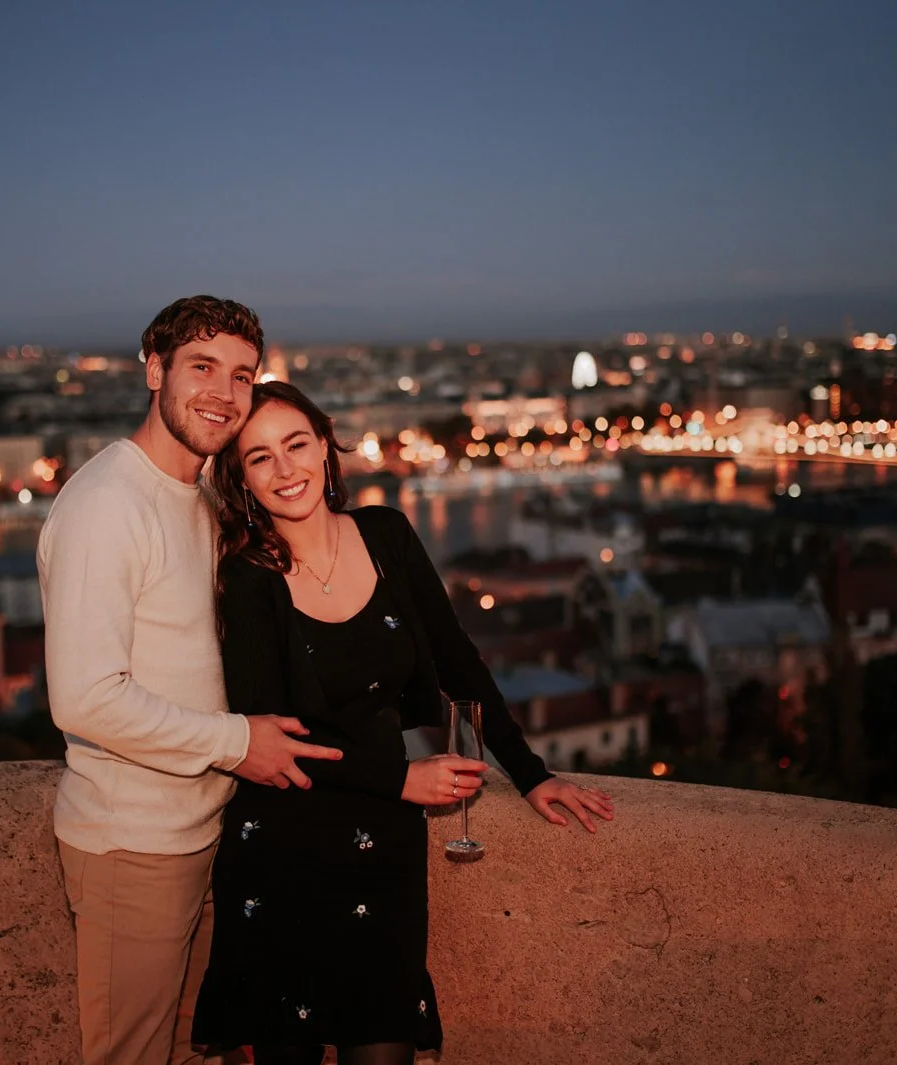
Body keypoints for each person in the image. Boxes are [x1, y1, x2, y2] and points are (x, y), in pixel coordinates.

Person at [192, 382, 616, 1065]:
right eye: (260, 457)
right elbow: (277, 734)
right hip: (284, 848)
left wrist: (530, 773)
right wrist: (401, 778)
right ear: (242, 480)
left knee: (383, 1045)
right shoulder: (248, 577)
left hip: (380, 847)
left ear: (327, 448)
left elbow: (459, 664)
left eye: (297, 444)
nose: (286, 468)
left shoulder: (387, 534)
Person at [37, 297, 344, 1065]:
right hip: (133, 845)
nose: (223, 392)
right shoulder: (108, 504)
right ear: (154, 370)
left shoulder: (203, 494)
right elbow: (85, 697)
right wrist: (240, 742)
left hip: (201, 831)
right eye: (201, 367)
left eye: (242, 375)